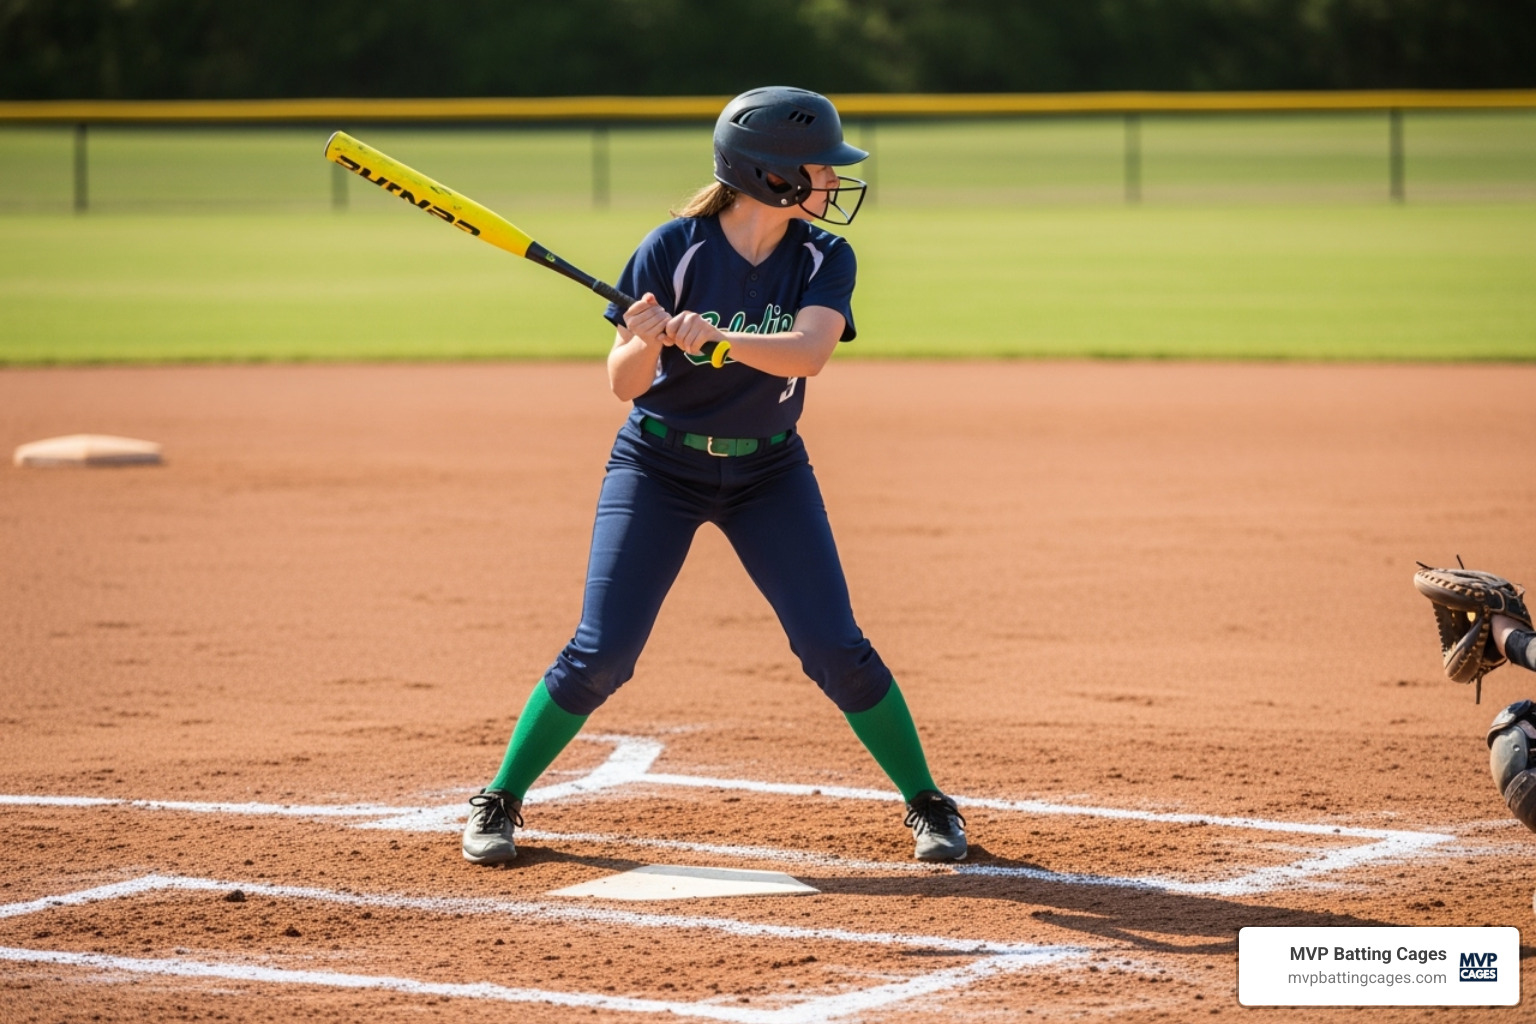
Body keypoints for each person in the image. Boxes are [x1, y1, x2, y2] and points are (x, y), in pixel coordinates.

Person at [461, 86, 967, 866]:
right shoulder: (675, 247)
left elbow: (809, 354)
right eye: (820, 168)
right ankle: (500, 797)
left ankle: (928, 802)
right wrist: (650, 340)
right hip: (658, 464)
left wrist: (719, 337)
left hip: (769, 471)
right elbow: (623, 385)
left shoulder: (825, 256)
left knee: (836, 649)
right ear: (769, 174)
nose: (832, 181)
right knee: (602, 654)